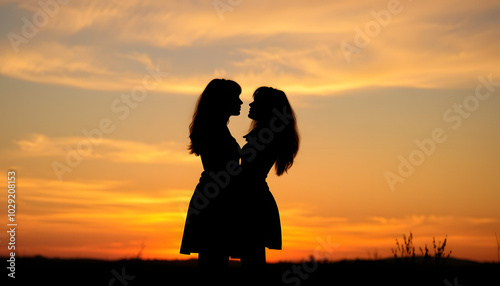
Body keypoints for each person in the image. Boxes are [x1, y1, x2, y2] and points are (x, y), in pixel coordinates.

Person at [234, 86, 300, 283]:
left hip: (252, 201)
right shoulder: (266, 135)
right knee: (252, 261)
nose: (251, 104)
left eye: (256, 101)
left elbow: (246, 173)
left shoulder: (266, 137)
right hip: (254, 198)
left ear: (267, 107)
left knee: (252, 265)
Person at [179, 78, 243, 282]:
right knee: (213, 264)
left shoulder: (217, 128)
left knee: (213, 263)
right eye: (236, 97)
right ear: (223, 100)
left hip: (213, 196)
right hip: (216, 199)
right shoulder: (215, 130)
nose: (241, 102)